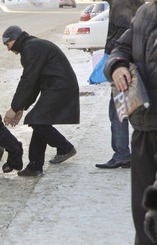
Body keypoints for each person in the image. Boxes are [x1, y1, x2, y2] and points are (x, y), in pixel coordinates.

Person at [103, 2, 157, 244]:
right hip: (144, 125)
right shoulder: (146, 13)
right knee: (142, 208)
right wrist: (117, 66)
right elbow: (120, 49)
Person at [2, 25, 80, 177]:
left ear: (15, 39)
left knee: (37, 120)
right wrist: (21, 108)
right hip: (57, 85)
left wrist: (14, 108)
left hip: (60, 86)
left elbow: (28, 80)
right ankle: (35, 166)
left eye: (8, 45)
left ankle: (64, 147)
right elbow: (35, 81)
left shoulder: (31, 48)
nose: (8, 49)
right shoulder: (31, 46)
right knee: (39, 120)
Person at [95, 0, 143, 169]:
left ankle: (122, 154)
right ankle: (123, 153)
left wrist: (114, 55)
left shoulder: (121, 3)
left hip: (125, 64)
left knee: (118, 110)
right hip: (130, 62)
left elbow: (125, 31)